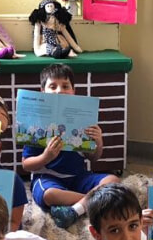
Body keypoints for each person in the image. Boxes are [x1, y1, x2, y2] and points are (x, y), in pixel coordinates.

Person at [23, 63, 120, 229]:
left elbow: (94, 157)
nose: (59, 91)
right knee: (50, 195)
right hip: (47, 178)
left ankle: (75, 210)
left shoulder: (82, 118)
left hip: (79, 176)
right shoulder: (36, 123)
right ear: (43, 91)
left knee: (114, 181)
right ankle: (96, 200)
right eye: (52, 86)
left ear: (73, 91)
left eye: (65, 86)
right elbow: (26, 164)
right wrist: (46, 157)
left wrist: (98, 141)